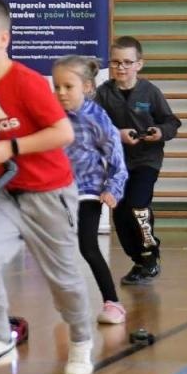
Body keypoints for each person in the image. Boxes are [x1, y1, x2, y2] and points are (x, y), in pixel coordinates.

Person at [0, 0, 98, 374]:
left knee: (63, 279)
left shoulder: (28, 83)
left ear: (3, 38)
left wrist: (10, 146)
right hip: (6, 194)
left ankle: (81, 341)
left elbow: (63, 132)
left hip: (49, 193)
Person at [95, 36, 181, 284]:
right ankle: (139, 260)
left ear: (139, 64)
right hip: (117, 164)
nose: (121, 67)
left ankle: (150, 253)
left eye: (127, 62)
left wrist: (159, 132)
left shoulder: (150, 92)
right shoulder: (104, 94)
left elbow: (171, 122)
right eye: (116, 62)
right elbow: (93, 126)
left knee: (138, 205)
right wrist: (116, 134)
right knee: (121, 214)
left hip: (146, 160)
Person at [54, 55, 129, 325]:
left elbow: (116, 156)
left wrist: (113, 188)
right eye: (57, 87)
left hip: (89, 191)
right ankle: (68, 301)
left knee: (88, 246)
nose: (61, 93)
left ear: (86, 87)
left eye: (68, 87)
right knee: (58, 250)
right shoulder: (51, 115)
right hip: (58, 192)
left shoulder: (97, 117)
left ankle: (113, 303)